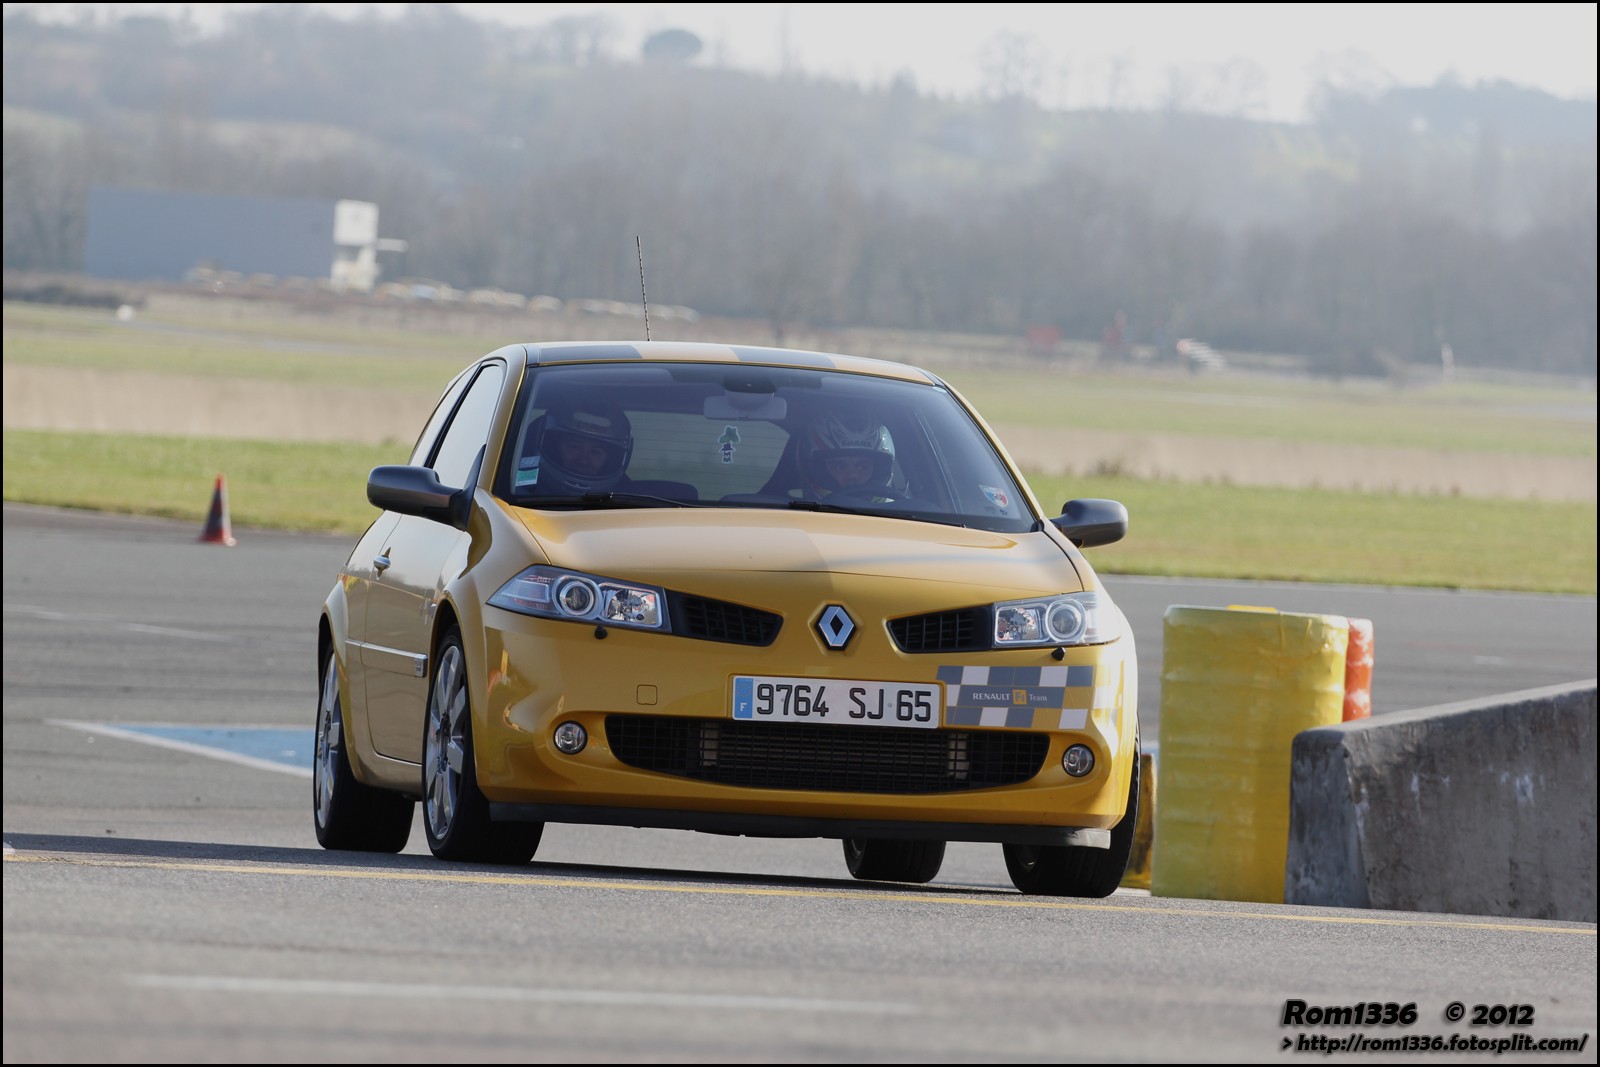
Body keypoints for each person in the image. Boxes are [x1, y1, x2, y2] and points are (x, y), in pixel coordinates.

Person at [524, 397, 634, 495]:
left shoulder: (628, 500)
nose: (583, 461)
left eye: (595, 452)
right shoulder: (522, 485)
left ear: (610, 459)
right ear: (553, 447)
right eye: (574, 446)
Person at [796, 410, 896, 499]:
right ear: (819, 469)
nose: (852, 475)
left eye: (862, 466)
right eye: (838, 466)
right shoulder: (791, 517)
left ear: (878, 471)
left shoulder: (899, 516)